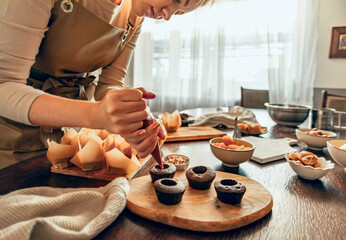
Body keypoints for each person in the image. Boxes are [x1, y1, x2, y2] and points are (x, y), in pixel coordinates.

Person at [0, 0, 213, 169]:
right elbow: (4, 85)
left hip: (68, 139)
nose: (167, 16)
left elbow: (109, 84)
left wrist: (129, 116)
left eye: (179, 13)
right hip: (11, 139)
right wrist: (96, 114)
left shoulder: (134, 17)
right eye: (177, 0)